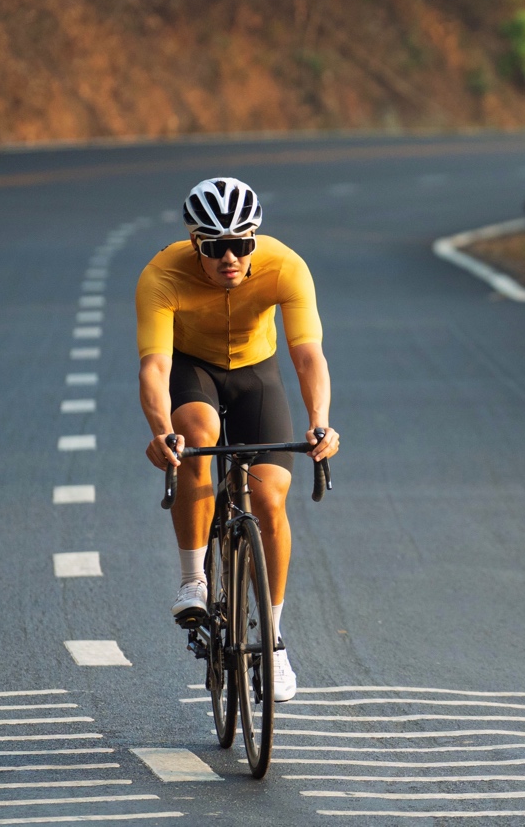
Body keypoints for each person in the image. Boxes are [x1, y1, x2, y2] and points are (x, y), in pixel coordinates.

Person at [136, 178, 340, 702]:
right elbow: (156, 368)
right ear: (194, 244)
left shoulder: (285, 265)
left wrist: (320, 422)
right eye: (215, 246)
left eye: (241, 244)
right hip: (193, 370)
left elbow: (308, 355)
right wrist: (162, 434)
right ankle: (193, 580)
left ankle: (272, 641)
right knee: (196, 436)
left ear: (255, 239)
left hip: (257, 373)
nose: (230, 256)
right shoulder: (162, 274)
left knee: (270, 496)